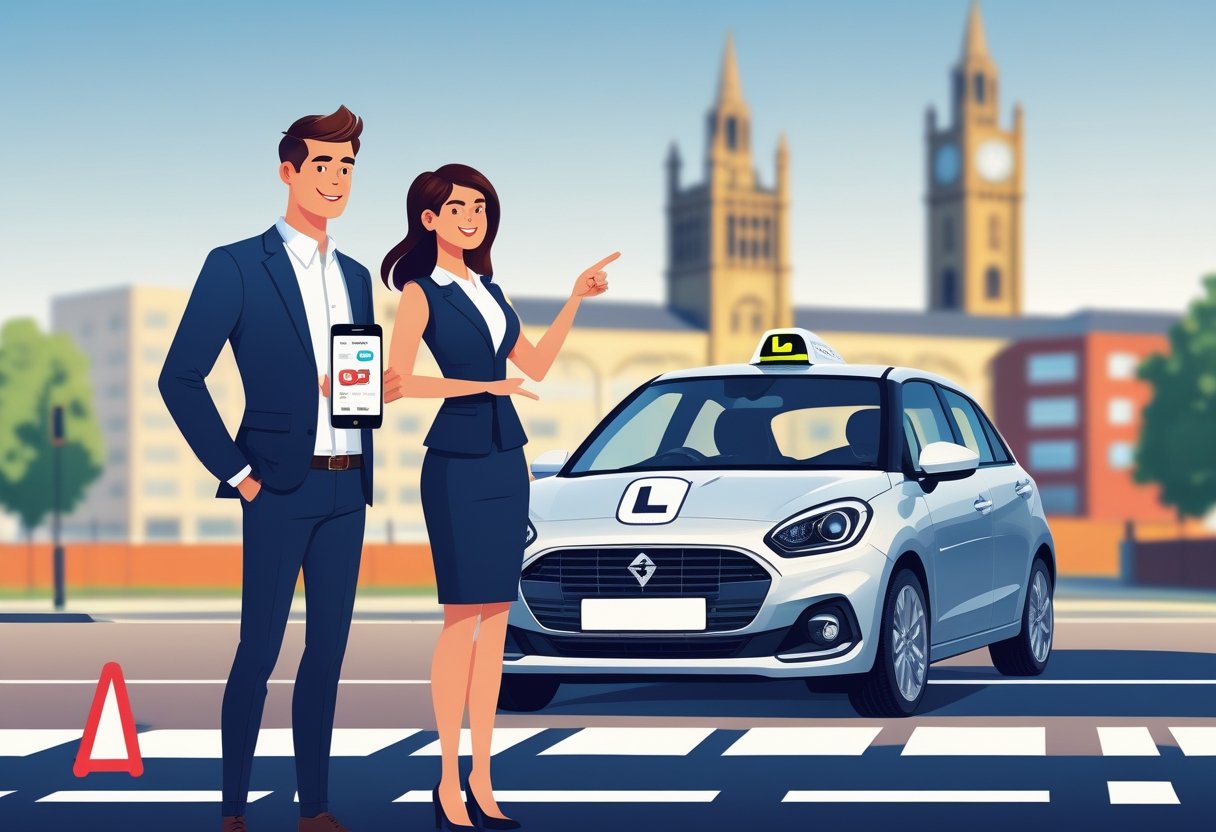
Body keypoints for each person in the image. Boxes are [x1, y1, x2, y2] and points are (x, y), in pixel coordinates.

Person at [159, 106, 402, 832]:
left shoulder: (357, 277)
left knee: (326, 655)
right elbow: (180, 378)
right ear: (288, 170)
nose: (335, 179)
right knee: (258, 650)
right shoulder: (235, 264)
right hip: (275, 487)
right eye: (322, 164)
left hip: (345, 484)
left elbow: (337, 381)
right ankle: (233, 810)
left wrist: (367, 393)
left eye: (347, 166)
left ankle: (315, 808)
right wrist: (240, 475)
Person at [382, 164, 616, 830]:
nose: (471, 217)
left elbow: (535, 365)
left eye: (480, 206)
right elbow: (399, 383)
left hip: (506, 462)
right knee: (462, 620)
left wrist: (574, 298)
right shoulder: (420, 293)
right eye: (457, 207)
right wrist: (483, 389)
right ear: (428, 219)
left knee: (495, 626)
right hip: (455, 461)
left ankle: (485, 779)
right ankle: (447, 782)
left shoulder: (492, 291)